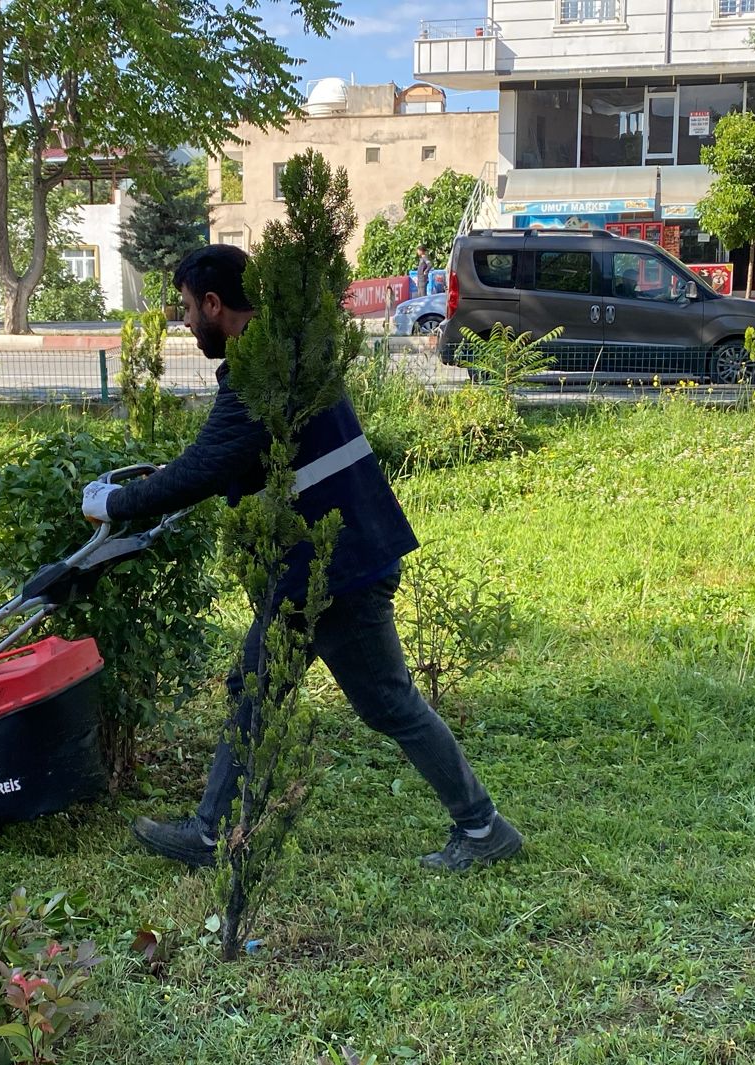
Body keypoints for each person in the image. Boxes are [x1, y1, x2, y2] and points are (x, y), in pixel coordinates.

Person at [80, 245, 521, 873]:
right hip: (329, 560)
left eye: (185, 308)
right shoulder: (286, 353)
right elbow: (235, 457)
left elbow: (207, 466)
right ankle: (210, 832)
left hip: (334, 571)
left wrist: (114, 502)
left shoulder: (265, 372)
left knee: (381, 701)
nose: (183, 322)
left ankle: (482, 827)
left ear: (213, 304)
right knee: (259, 687)